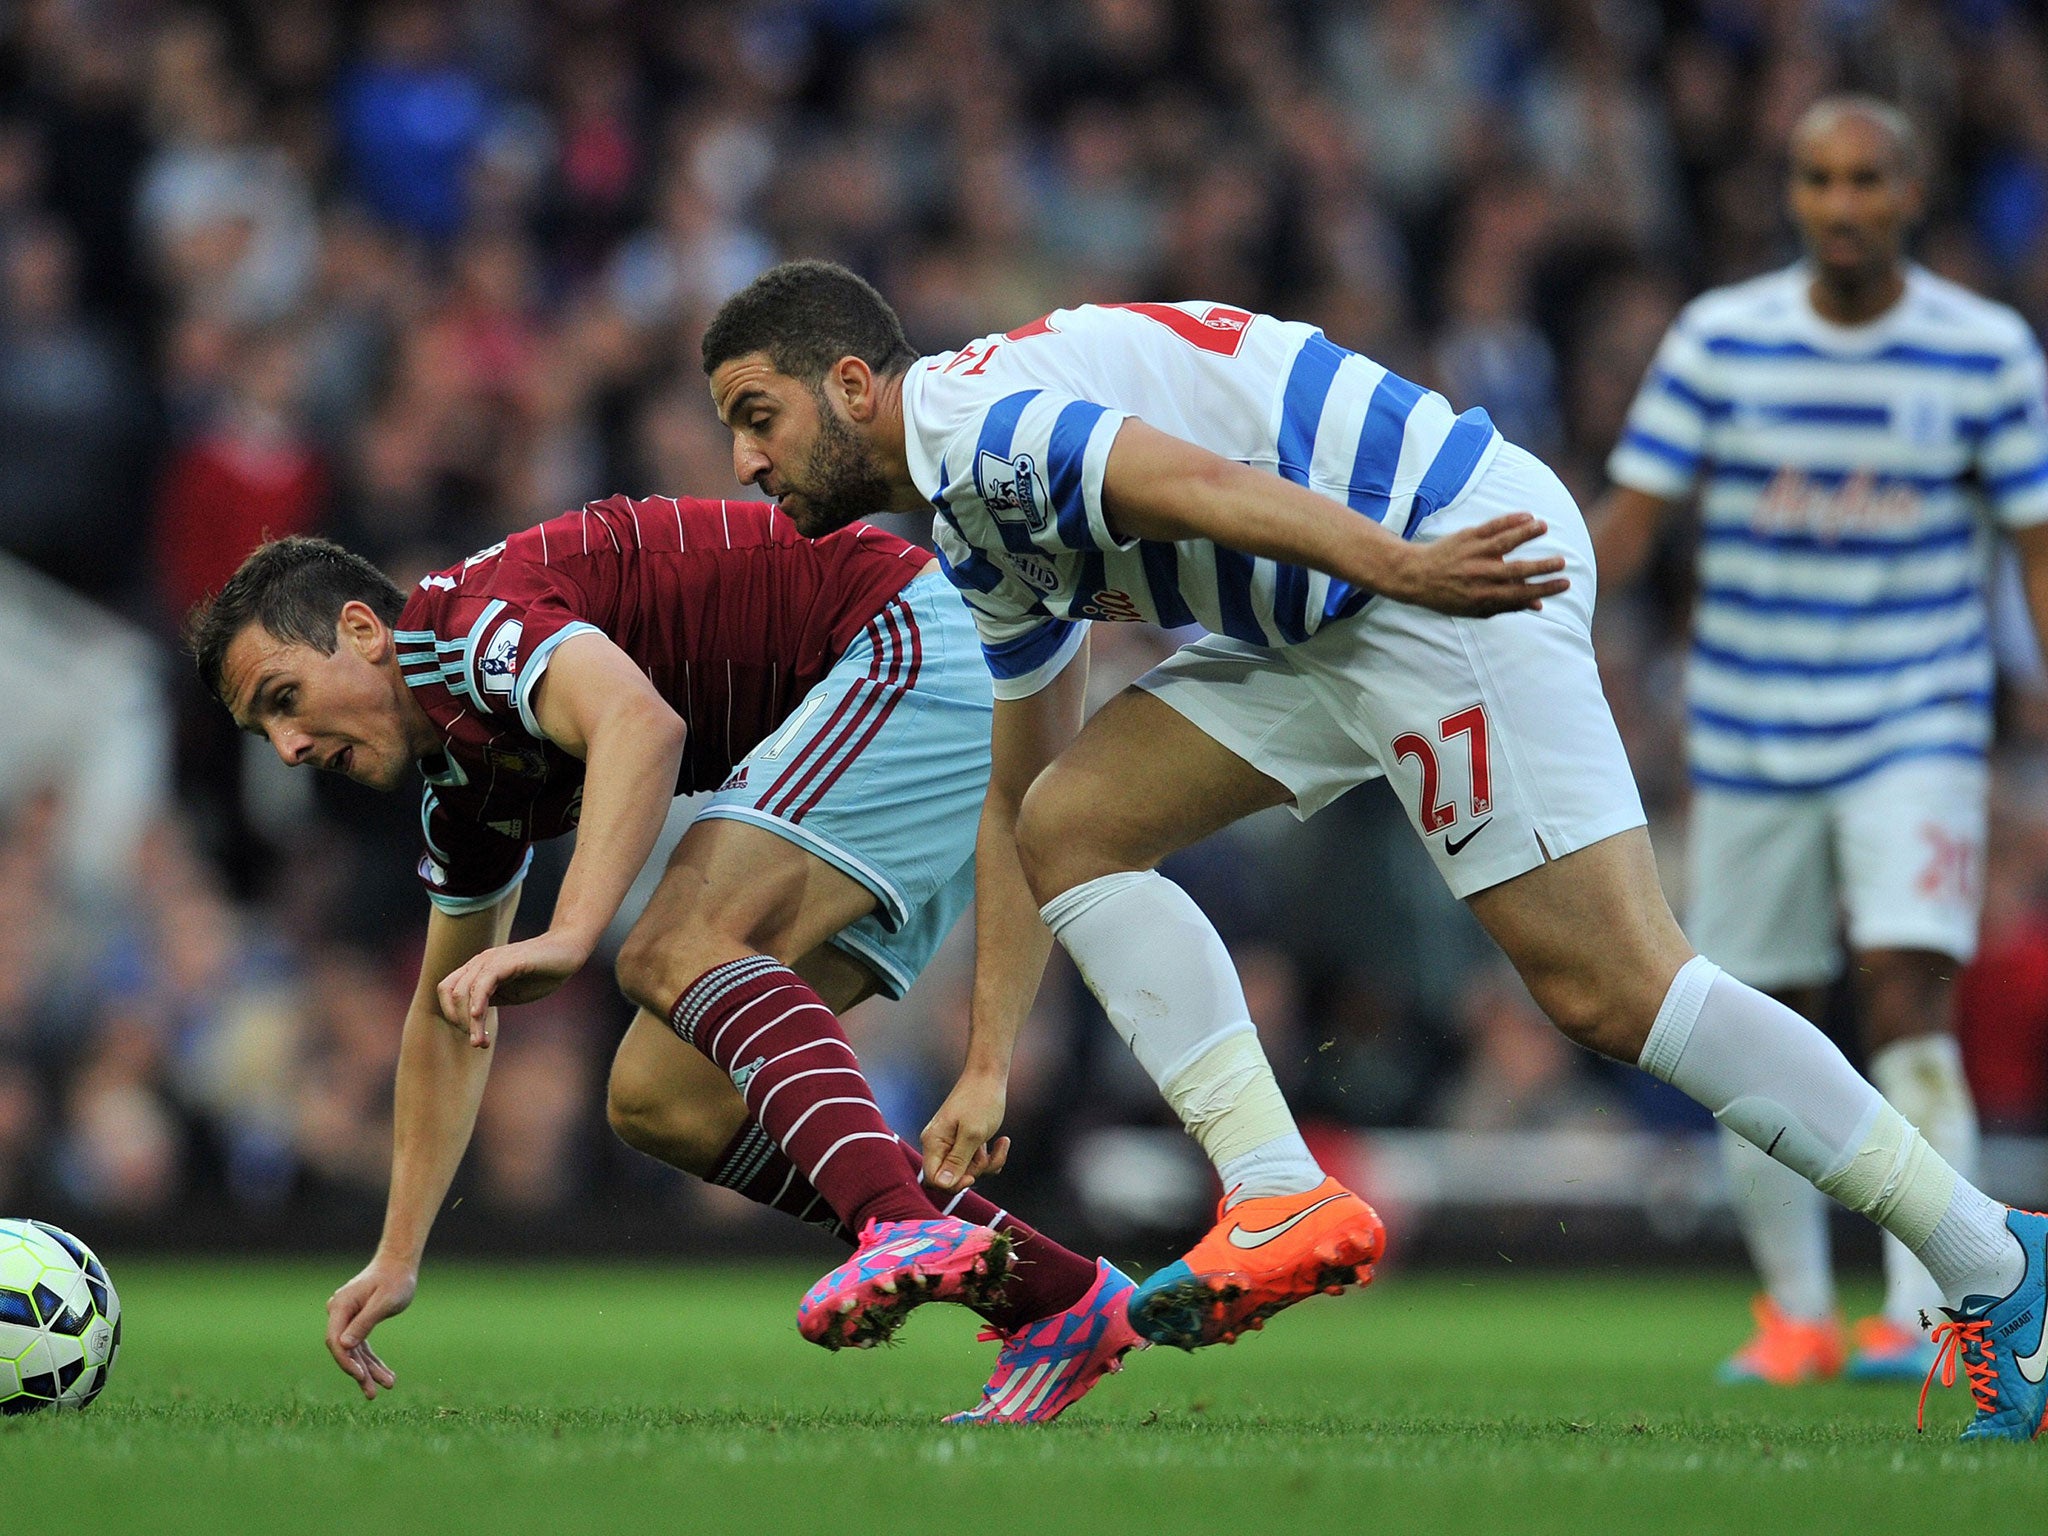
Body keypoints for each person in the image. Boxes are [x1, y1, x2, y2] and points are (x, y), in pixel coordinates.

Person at [700, 259, 2048, 1442]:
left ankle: (1993, 1263)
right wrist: (989, 1060)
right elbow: (1020, 802)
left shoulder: (978, 433)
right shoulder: (971, 521)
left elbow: (1205, 486)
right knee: (1076, 819)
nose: (747, 463)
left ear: (858, 387)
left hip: (1431, 556)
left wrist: (1404, 569)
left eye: (759, 419)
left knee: (1616, 987)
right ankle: (1280, 1192)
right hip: (1334, 606)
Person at [184, 501, 1143, 1425]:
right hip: (896, 706)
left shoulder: (457, 625)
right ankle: (1057, 1299)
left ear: (361, 630)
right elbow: (445, 1016)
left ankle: (902, 1224)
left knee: (666, 947)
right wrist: (397, 1255)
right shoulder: (464, 790)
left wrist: (568, 934)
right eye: (263, 730)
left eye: (285, 699)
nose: (288, 746)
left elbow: (640, 724)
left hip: (901, 642)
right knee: (661, 1098)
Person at [1596, 97, 2048, 1388]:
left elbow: (2035, 547)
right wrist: (1534, 625)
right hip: (1746, 727)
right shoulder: (1722, 339)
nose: (1842, 204)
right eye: (1818, 180)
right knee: (1758, 1014)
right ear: (1791, 195)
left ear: (1910, 194)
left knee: (1911, 986)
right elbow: (1632, 519)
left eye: (1866, 181)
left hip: (1917, 717)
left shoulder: (1986, 351)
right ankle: (1794, 1309)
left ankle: (1924, 1312)